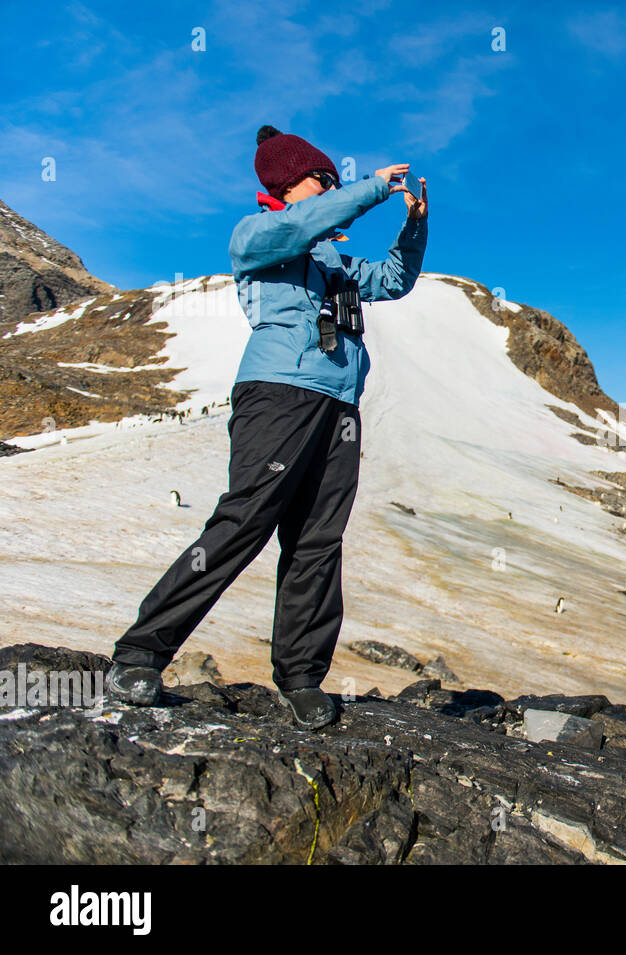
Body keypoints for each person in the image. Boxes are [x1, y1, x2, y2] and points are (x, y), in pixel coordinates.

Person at [106, 126, 429, 729]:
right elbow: (300, 227)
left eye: (336, 182)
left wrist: (414, 225)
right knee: (244, 520)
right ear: (285, 183)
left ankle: (302, 677)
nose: (331, 190)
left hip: (339, 406)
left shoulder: (333, 257)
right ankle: (142, 652)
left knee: (317, 540)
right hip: (278, 394)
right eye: (322, 181)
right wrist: (369, 188)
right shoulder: (258, 235)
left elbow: (394, 279)